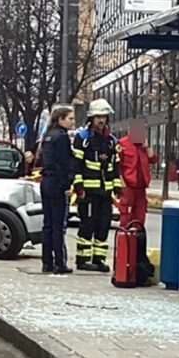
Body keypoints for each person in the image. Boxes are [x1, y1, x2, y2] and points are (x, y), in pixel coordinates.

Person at [73, 99, 121, 272]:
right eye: (98, 117)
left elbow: (115, 166)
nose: (101, 120)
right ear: (91, 118)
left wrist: (117, 187)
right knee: (88, 224)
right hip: (89, 192)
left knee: (103, 225)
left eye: (104, 117)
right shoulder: (83, 139)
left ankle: (98, 259)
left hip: (105, 192)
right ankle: (83, 259)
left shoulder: (111, 141)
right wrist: (79, 187)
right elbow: (76, 165)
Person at [38, 106, 75, 275]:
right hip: (56, 183)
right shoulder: (61, 137)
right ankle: (60, 262)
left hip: (46, 181)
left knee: (48, 224)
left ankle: (47, 262)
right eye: (70, 118)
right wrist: (67, 185)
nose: (73, 122)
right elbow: (63, 163)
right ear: (60, 119)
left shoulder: (47, 136)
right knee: (58, 225)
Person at [117, 124, 152, 228]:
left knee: (140, 217)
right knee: (126, 217)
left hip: (141, 187)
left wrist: (148, 147)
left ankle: (137, 241)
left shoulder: (144, 145)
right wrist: (121, 182)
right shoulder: (122, 144)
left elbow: (153, 159)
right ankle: (125, 241)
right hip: (128, 186)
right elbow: (117, 164)